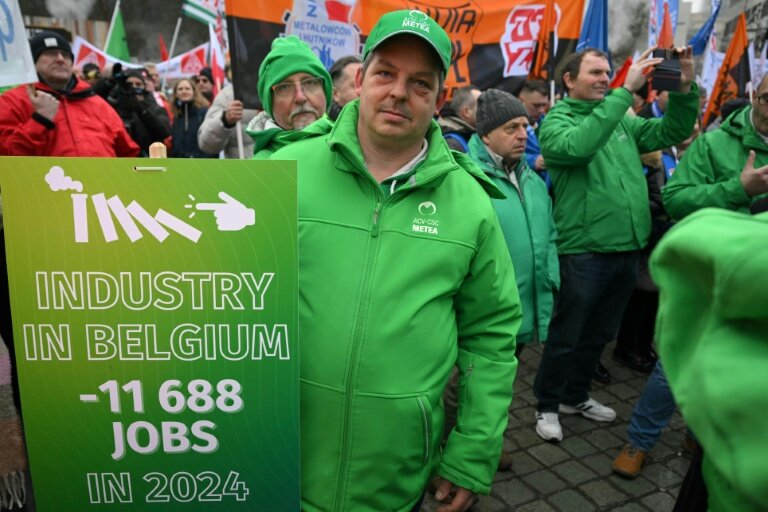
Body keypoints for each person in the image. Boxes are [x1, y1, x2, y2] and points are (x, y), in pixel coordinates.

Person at [270, 10, 521, 511]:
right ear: (360, 80)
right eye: (386, 74)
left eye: (420, 83)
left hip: (392, 479)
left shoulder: (470, 204)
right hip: (277, 460)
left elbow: (491, 338)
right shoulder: (282, 171)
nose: (399, 93)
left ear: (439, 100)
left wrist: (472, 452)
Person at [532, 46, 699, 443]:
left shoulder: (622, 119)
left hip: (627, 247)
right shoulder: (557, 120)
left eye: (608, 72)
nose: (606, 78)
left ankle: (576, 396)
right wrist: (625, 93)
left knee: (600, 333)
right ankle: (547, 404)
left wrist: (684, 86)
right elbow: (578, 148)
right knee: (566, 334)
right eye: (596, 72)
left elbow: (672, 132)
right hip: (584, 250)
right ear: (570, 80)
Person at [468, 89, 558, 355]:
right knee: (469, 391)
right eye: (511, 128)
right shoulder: (467, 180)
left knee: (505, 385)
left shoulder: (532, 180)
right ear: (486, 135)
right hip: (484, 321)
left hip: (523, 314)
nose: (523, 135)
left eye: (524, 126)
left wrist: (550, 279)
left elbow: (550, 234)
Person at [0, 31, 138, 157]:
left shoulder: (98, 104)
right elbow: (7, 156)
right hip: (42, 184)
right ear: (32, 62)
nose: (60, 59)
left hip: (102, 183)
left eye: (65, 55)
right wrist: (39, 121)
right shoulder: (11, 102)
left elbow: (128, 154)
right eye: (50, 53)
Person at [663, 73, 768, 219]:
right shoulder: (710, 144)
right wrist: (740, 189)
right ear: (755, 97)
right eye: (767, 99)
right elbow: (674, 201)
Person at [246, 36, 333, 159]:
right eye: (284, 87)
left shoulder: (354, 150)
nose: (300, 97)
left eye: (310, 83)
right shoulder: (257, 170)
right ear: (269, 103)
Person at [107, 68, 171, 157]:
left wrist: (141, 109)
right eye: (129, 84)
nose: (133, 87)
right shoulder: (112, 109)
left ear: (144, 88)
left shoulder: (156, 109)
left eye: (138, 84)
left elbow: (164, 132)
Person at [198, 84, 259, 158]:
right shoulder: (228, 95)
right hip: (243, 167)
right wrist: (225, 120)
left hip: (274, 166)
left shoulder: (274, 90)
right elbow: (206, 144)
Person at [169, 78, 216, 158]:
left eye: (187, 89)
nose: (184, 91)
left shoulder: (204, 113)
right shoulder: (177, 115)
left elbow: (212, 140)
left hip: (201, 163)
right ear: (176, 94)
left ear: (194, 92)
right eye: (180, 89)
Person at [516, 80, 550, 182]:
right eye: (536, 106)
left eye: (544, 105)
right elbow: (501, 155)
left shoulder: (549, 123)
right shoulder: (507, 127)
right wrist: (532, 161)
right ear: (521, 100)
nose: (541, 110)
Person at [437, 85, 480, 152]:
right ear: (466, 112)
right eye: (481, 104)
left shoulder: (467, 135)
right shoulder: (452, 144)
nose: (485, 108)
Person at [328, 55, 362, 120]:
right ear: (335, 94)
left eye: (366, 84)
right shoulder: (320, 129)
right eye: (356, 85)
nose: (365, 91)